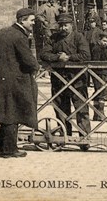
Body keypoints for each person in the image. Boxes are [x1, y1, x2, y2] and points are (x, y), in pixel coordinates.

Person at [0, 8, 40, 158]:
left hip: (3, 79)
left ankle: (2, 145)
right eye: (31, 20)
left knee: (6, 111)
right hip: (17, 80)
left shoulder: (4, 32)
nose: (33, 23)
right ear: (22, 20)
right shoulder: (19, 36)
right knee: (13, 112)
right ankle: (9, 150)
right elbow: (28, 59)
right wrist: (36, 66)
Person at [41, 13, 92, 149]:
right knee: (60, 109)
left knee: (81, 109)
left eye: (66, 25)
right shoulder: (53, 38)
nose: (63, 28)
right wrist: (57, 58)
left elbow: (86, 55)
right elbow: (44, 54)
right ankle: (63, 136)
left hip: (77, 79)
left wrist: (68, 57)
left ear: (71, 25)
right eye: (61, 25)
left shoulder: (79, 37)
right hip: (58, 79)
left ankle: (84, 139)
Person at [89, 31, 107, 121]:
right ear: (99, 40)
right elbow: (97, 62)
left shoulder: (100, 48)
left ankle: (96, 115)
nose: (105, 43)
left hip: (100, 73)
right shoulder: (97, 49)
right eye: (104, 41)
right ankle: (100, 114)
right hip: (100, 73)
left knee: (98, 92)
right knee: (102, 93)